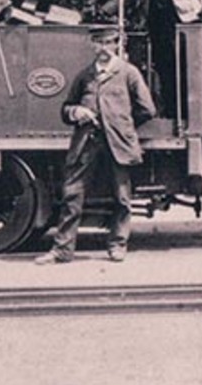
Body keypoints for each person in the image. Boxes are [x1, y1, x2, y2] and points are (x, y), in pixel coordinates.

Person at [35, 26, 156, 264]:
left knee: (121, 198)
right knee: (72, 196)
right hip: (85, 144)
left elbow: (148, 109)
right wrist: (76, 111)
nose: (103, 48)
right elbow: (65, 109)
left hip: (118, 144)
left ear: (117, 44)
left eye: (108, 42)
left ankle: (117, 245)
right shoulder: (84, 76)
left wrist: (121, 125)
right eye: (98, 43)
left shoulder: (128, 73)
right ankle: (62, 250)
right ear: (92, 45)